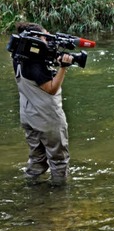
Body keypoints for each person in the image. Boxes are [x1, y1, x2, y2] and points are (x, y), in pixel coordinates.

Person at [10, 22, 75, 186]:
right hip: (47, 118)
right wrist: (63, 67)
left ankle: (31, 189)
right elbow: (51, 88)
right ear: (35, 39)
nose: (48, 40)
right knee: (59, 160)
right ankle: (61, 198)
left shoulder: (19, 56)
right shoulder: (34, 64)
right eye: (45, 36)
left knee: (37, 158)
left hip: (28, 115)